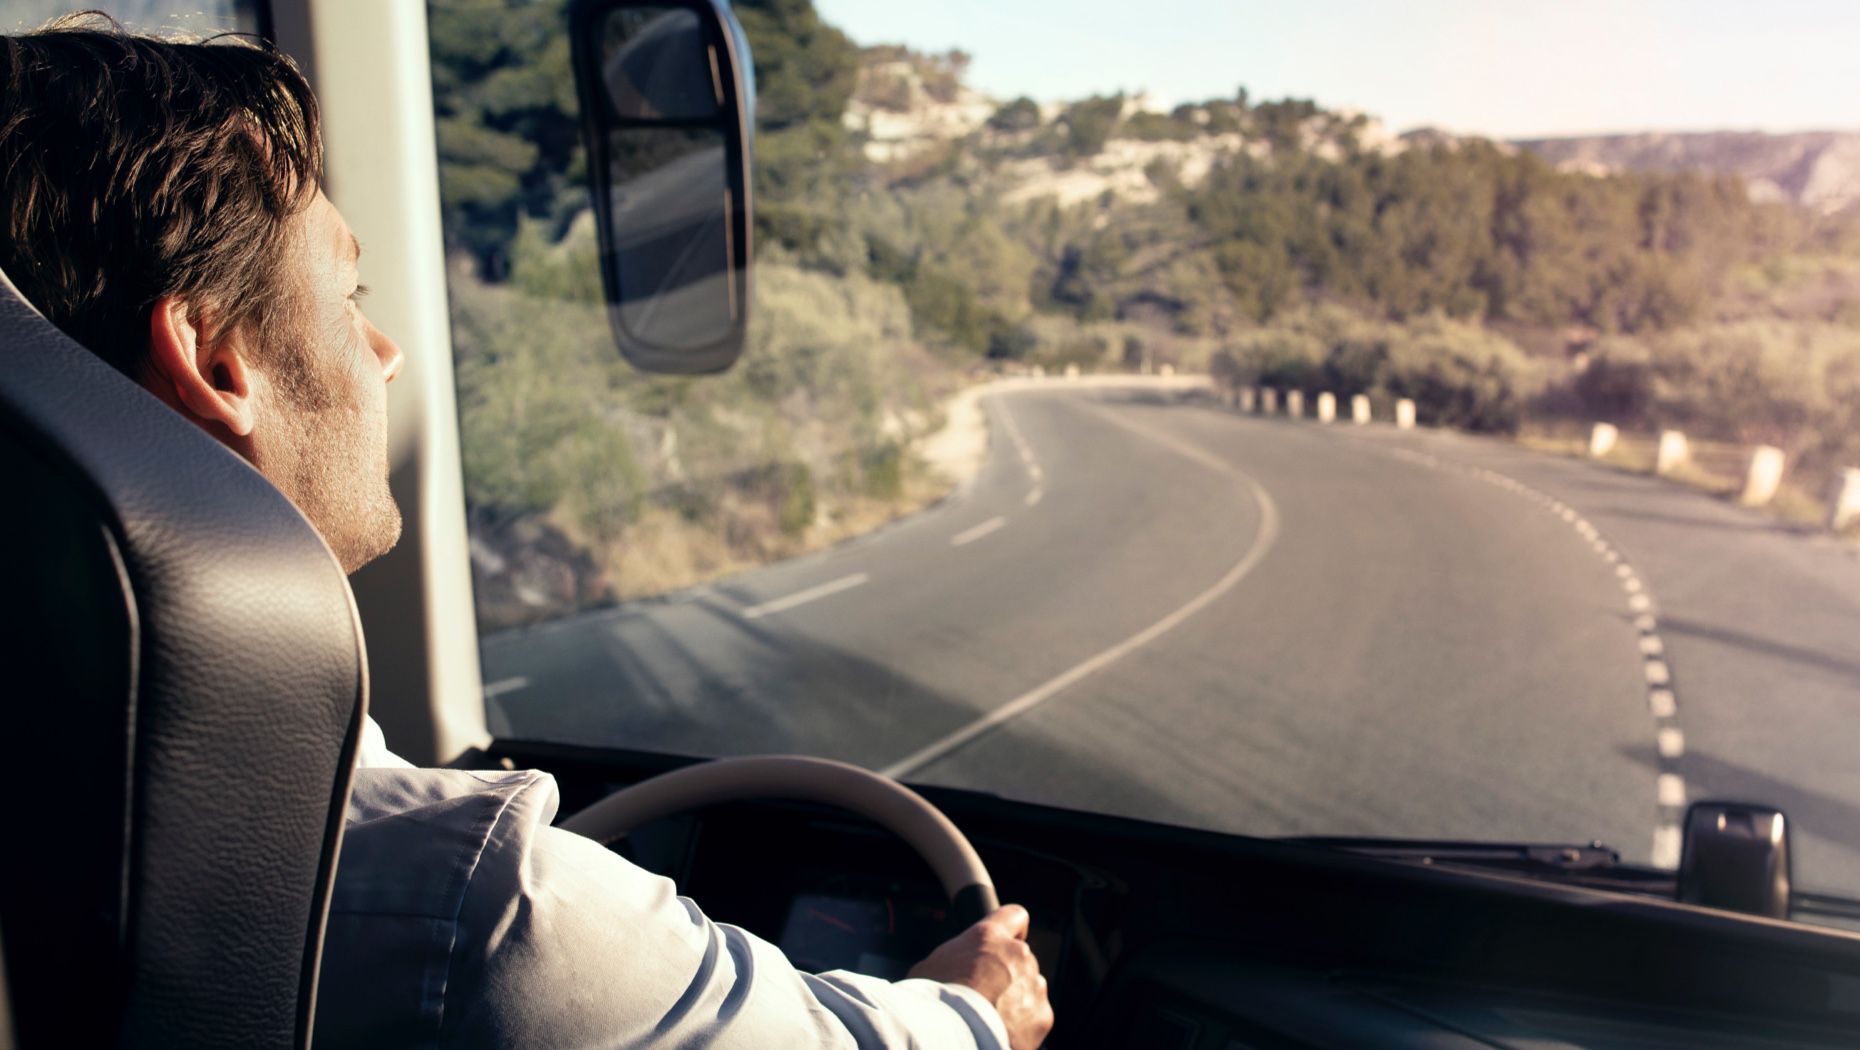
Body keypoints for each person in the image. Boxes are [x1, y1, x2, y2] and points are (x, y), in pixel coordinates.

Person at [0, 16, 1054, 1049]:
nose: (386, 352)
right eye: (348, 291)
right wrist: (976, 1011)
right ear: (218, 359)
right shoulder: (475, 906)